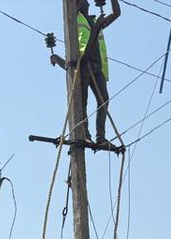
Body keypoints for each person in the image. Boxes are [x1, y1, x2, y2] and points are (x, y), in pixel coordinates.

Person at [50, 0, 122, 147]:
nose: (87, 3)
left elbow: (116, 13)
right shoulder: (75, 18)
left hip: (98, 67)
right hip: (83, 64)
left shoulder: (97, 21)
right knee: (82, 100)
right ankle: (85, 135)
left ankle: (101, 137)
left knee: (104, 100)